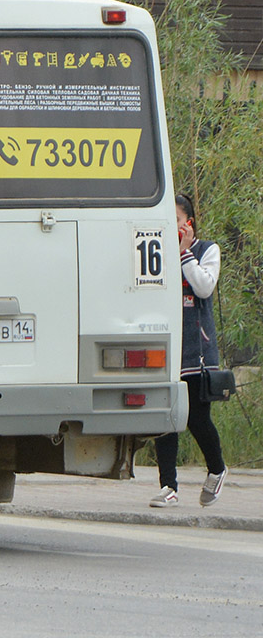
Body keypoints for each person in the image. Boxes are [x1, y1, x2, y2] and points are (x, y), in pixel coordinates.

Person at [150, 193, 227, 508]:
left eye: (178, 221)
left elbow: (204, 286)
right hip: (167, 349)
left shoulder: (207, 250)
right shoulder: (157, 251)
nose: (174, 227)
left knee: (196, 418)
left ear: (189, 223)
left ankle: (217, 470)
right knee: (165, 419)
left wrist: (184, 254)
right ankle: (169, 486)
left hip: (197, 350)